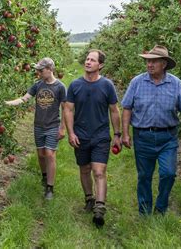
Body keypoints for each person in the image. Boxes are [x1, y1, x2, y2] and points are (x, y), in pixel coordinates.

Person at [121, 45, 181, 215]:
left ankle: (161, 208)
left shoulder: (176, 84)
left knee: (168, 174)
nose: (149, 64)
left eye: (153, 61)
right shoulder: (137, 82)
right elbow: (127, 108)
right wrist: (125, 133)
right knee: (144, 176)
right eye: (147, 61)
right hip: (143, 136)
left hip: (167, 137)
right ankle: (145, 211)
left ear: (164, 64)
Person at [63, 49, 121, 228]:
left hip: (101, 136)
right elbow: (68, 109)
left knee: (98, 171)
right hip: (81, 135)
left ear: (100, 65)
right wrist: (71, 132)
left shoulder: (107, 85)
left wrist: (117, 134)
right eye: (87, 59)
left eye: (92, 60)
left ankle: (100, 208)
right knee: (84, 169)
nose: (88, 62)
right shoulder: (75, 85)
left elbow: (114, 110)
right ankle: (89, 198)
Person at [5, 57, 66, 200]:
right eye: (37, 70)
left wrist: (62, 128)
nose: (38, 72)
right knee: (41, 154)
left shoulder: (60, 87)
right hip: (38, 125)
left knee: (49, 154)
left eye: (41, 70)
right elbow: (24, 98)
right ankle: (44, 177)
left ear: (50, 69)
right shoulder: (37, 85)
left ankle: (50, 188)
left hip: (52, 125)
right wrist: (9, 103)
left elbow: (66, 109)